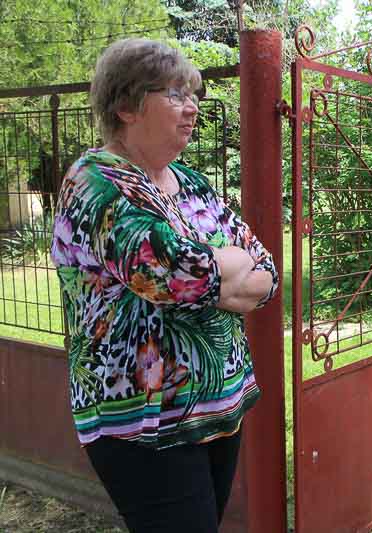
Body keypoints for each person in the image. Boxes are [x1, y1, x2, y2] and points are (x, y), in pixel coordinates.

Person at [50, 38, 278, 532]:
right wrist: (223, 271)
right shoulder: (95, 183)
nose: (192, 107)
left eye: (193, 94)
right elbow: (172, 274)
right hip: (142, 424)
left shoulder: (191, 183)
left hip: (219, 406)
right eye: (175, 94)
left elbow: (267, 271)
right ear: (127, 105)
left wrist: (216, 274)